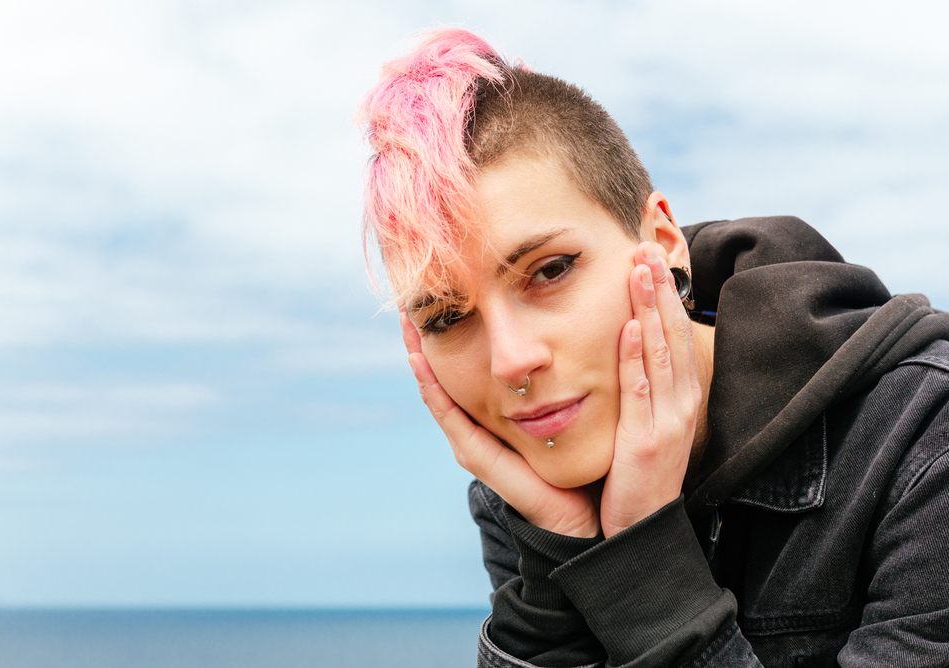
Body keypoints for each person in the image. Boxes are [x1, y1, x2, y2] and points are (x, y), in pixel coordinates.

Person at [357, 28, 949, 668]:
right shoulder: (528, 494)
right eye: (447, 317)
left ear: (664, 242)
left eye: (550, 270)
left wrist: (640, 563)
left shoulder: (919, 439)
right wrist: (556, 566)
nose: (510, 362)